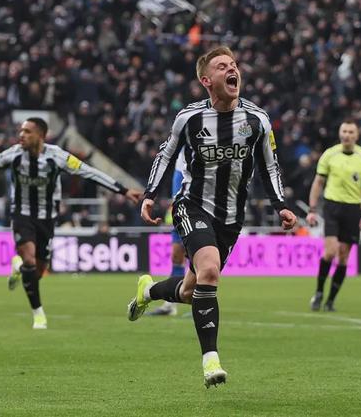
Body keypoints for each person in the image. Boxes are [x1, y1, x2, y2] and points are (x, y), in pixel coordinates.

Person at [126, 46, 297, 387]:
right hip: (192, 205)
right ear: (207, 80)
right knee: (209, 272)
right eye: (222, 66)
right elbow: (165, 155)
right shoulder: (189, 118)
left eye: (234, 64)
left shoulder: (257, 120)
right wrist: (150, 195)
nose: (232, 69)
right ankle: (211, 361)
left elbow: (270, 165)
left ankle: (148, 291)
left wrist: (280, 204)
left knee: (191, 291)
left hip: (231, 218)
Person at [0, 117, 142, 329]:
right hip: (22, 214)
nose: (21, 135)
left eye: (27, 131)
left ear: (41, 136)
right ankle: (38, 313)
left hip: (47, 217)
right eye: (21, 131)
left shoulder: (57, 156)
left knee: (38, 270)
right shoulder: (14, 154)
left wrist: (123, 190)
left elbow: (89, 172)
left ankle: (18, 267)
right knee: (29, 259)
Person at [306, 120, 361, 312]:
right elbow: (318, 182)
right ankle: (319, 292)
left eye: (351, 132)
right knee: (330, 252)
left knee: (344, 257)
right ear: (340, 133)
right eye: (344, 131)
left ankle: (331, 300)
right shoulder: (329, 154)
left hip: (353, 209)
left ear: (357, 135)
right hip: (332, 206)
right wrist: (312, 209)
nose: (347, 135)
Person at [147, 152, 187, 316]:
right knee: (177, 253)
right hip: (181, 171)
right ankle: (170, 305)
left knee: (200, 254)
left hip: (204, 174)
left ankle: (202, 304)